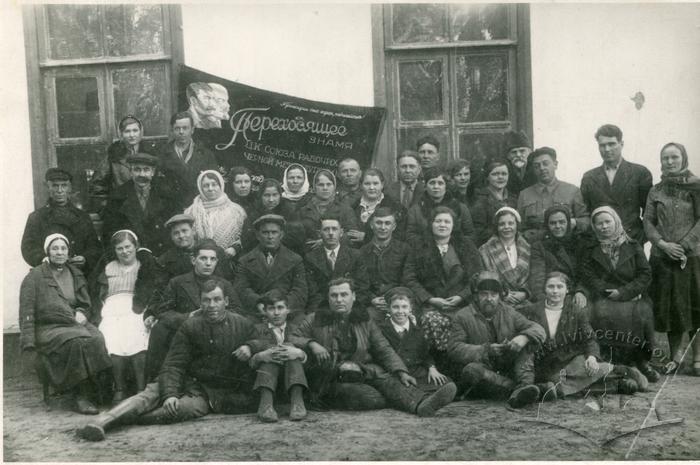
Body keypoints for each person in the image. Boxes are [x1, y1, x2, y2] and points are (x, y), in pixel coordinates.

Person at [78, 280, 257, 441]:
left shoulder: (242, 324)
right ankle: (101, 422)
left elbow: (264, 340)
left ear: (226, 301)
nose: (211, 305)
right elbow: (174, 363)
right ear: (200, 302)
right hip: (183, 379)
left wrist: (251, 346)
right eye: (206, 300)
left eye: (217, 300)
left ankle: (116, 421)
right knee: (148, 396)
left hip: (207, 392)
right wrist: (170, 393)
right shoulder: (190, 325)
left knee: (177, 410)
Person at [290, 278, 456, 416]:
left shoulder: (364, 319)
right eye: (334, 295)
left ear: (353, 296)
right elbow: (291, 337)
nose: (339, 300)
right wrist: (311, 343)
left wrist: (401, 371)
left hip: (362, 370)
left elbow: (382, 348)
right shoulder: (315, 319)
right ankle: (401, 399)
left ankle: (421, 404)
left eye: (344, 295)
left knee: (389, 381)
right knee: (368, 397)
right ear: (328, 297)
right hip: (329, 377)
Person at [19, 234, 112, 414]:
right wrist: (29, 343)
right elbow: (27, 312)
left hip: (75, 323)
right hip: (49, 327)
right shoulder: (35, 276)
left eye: (63, 248)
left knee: (97, 338)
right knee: (76, 343)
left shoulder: (76, 273)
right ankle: (81, 395)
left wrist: (83, 313)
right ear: (48, 251)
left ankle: (99, 391)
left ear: (68, 252)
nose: (59, 252)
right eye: (55, 249)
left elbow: (86, 304)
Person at [520, 272, 650, 398]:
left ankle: (622, 371)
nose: (555, 291)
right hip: (546, 363)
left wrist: (592, 357)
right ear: (544, 289)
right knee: (561, 380)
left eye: (560, 287)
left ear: (567, 290)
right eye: (551, 287)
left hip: (570, 358)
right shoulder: (531, 311)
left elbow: (590, 338)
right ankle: (618, 384)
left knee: (585, 370)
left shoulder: (576, 312)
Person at [579, 206, 659, 382]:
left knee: (642, 311)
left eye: (608, 222)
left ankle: (641, 360)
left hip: (631, 294)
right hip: (603, 294)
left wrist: (624, 292)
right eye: (599, 224)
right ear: (594, 227)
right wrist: (607, 291)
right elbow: (588, 275)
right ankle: (610, 360)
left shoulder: (633, 245)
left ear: (616, 221)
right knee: (599, 311)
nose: (604, 227)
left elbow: (645, 274)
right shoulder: (590, 248)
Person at [144, 240, 243, 381]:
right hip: (186, 334)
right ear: (193, 260)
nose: (208, 263)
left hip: (215, 333)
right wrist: (187, 317)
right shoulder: (177, 282)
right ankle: (157, 378)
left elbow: (237, 310)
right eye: (203, 258)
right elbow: (164, 311)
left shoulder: (224, 284)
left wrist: (217, 317)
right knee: (160, 329)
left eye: (212, 259)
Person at [447, 271, 546, 408]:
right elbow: (454, 348)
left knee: (528, 343)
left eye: (494, 294)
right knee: (471, 371)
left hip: (508, 367)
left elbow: (538, 329)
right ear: (476, 296)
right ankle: (522, 391)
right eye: (484, 294)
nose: (489, 298)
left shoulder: (509, 312)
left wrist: (523, 337)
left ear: (500, 297)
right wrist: (485, 350)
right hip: (484, 370)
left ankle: (524, 386)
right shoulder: (462, 316)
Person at [644, 142, 700, 376]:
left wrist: (683, 246)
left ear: (683, 158)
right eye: (665, 158)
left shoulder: (696, 187)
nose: (669, 162)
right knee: (671, 308)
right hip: (662, 257)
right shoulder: (656, 190)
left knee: (695, 305)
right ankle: (674, 357)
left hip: (692, 256)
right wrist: (663, 245)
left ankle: (698, 358)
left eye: (674, 157)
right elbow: (647, 221)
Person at [91, 230, 163, 403]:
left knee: (138, 334)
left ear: (136, 247)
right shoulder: (108, 268)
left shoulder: (143, 266)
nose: (125, 251)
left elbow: (151, 290)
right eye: (120, 248)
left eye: (128, 247)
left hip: (136, 306)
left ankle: (140, 387)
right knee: (112, 336)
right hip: (112, 308)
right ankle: (120, 387)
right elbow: (99, 294)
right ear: (114, 251)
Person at [403, 206, 482, 355]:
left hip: (463, 303)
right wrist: (431, 299)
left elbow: (477, 276)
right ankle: (439, 362)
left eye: (447, 221)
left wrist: (461, 297)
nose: (442, 225)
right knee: (430, 320)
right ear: (431, 224)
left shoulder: (466, 245)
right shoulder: (418, 246)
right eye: (438, 221)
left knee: (471, 325)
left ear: (454, 225)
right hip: (430, 305)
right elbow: (409, 278)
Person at [377, 287, 457, 400]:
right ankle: (420, 397)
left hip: (415, 372)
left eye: (404, 307)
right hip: (394, 373)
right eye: (395, 307)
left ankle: (423, 394)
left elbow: (424, 353)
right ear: (388, 309)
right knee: (395, 386)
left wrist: (431, 368)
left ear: (410, 309)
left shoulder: (417, 329)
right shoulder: (381, 329)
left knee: (447, 383)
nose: (400, 311)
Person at [21, 168, 102, 276]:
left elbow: (94, 246)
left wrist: (85, 258)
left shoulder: (82, 217)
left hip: (78, 274)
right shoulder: (37, 217)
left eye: (64, 185)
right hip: (48, 275)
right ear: (48, 188)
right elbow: (28, 247)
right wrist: (43, 259)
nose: (60, 190)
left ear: (70, 188)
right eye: (55, 186)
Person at [581, 124, 653, 243]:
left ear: (621, 144)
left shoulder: (639, 173)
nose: (607, 149)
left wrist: (640, 238)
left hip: (631, 241)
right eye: (602, 145)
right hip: (600, 243)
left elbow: (649, 213)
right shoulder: (589, 177)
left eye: (612, 144)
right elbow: (585, 214)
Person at [101, 153, 181, 256]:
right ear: (131, 172)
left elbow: (175, 230)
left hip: (161, 255)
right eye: (137, 170)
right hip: (130, 256)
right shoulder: (117, 197)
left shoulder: (167, 196)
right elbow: (109, 233)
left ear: (153, 172)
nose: (142, 174)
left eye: (146, 170)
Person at [246, 291, 309, 422]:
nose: (276, 313)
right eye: (271, 309)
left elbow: (309, 360)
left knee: (290, 348)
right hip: (266, 384)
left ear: (288, 310)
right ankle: (266, 404)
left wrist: (299, 354)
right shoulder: (256, 329)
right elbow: (249, 362)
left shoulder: (297, 329)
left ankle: (297, 402)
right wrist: (260, 356)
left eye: (280, 308)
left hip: (292, 383)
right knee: (270, 351)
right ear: (264, 311)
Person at [235, 214, 308, 323]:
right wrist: (259, 304)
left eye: (274, 232)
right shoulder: (245, 261)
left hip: (288, 312)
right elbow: (241, 289)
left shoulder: (295, 259)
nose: (270, 237)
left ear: (281, 234)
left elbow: (300, 290)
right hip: (258, 313)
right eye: (265, 232)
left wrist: (282, 307)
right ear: (257, 235)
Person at [517, 147, 589, 243]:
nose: (542, 168)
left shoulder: (572, 191)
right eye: (537, 166)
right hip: (534, 247)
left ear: (555, 165)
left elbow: (586, 220)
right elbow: (519, 227)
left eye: (545, 164)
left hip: (566, 247)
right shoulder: (524, 195)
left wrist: (574, 222)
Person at [304, 214, 368, 312]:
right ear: (319, 233)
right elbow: (312, 291)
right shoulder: (310, 258)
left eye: (334, 229)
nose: (330, 233)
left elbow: (362, 287)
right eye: (326, 229)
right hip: (322, 307)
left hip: (350, 306)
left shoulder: (355, 255)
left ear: (341, 232)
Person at [358, 207, 411, 321]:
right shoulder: (362, 252)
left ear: (394, 226)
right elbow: (360, 283)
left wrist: (395, 298)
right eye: (379, 223)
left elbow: (407, 279)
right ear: (372, 225)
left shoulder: (404, 249)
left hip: (400, 302)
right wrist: (372, 299)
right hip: (374, 304)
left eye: (387, 223)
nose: (383, 227)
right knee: (366, 318)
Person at [528, 205, 588, 307]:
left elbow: (586, 273)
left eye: (562, 222)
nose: (558, 226)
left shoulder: (579, 243)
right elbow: (538, 278)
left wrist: (581, 291)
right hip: (551, 293)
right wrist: (544, 301)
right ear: (547, 225)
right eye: (552, 223)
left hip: (575, 292)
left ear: (568, 223)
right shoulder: (539, 246)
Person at [184, 170, 247, 260]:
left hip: (227, 260)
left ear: (221, 185)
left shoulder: (237, 211)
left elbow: (243, 237)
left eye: (214, 184)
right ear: (200, 188)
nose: (210, 188)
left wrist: (234, 248)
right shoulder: (190, 212)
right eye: (206, 185)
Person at [159, 111, 219, 206]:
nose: (181, 132)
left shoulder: (206, 155)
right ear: (172, 130)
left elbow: (215, 184)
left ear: (192, 129)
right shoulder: (162, 154)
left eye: (185, 128)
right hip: (171, 207)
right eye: (177, 128)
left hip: (199, 205)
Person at [405, 166, 475, 246]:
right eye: (432, 183)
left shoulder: (460, 208)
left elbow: (469, 234)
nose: (436, 187)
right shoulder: (415, 210)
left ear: (446, 186)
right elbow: (410, 236)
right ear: (425, 186)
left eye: (440, 183)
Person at [479, 207, 532, 309]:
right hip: (497, 302)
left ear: (517, 225)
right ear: (496, 227)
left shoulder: (528, 248)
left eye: (511, 223)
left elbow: (534, 277)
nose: (506, 227)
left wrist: (525, 293)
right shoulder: (485, 249)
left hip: (525, 301)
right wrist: (503, 294)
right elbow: (483, 278)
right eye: (502, 224)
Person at [91, 115, 157, 195]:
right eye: (127, 131)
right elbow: (98, 185)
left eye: (135, 130)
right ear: (121, 134)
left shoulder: (150, 154)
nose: (132, 135)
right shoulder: (113, 156)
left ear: (140, 132)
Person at [297, 169, 359, 250]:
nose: (325, 188)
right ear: (315, 187)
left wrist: (326, 241)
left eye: (329, 184)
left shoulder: (345, 210)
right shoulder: (304, 210)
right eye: (321, 185)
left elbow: (352, 235)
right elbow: (297, 235)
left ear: (334, 187)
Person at [241, 178, 304, 254]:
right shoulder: (253, 212)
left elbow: (297, 237)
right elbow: (247, 239)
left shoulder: (289, 211)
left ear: (280, 195)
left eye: (275, 195)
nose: (271, 199)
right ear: (260, 196)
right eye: (266, 195)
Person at [347, 168, 406, 246]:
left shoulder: (394, 206)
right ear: (361, 185)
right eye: (367, 184)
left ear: (382, 185)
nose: (371, 188)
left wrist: (366, 237)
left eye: (375, 183)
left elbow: (399, 235)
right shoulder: (352, 206)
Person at [471, 159, 519, 246]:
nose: (500, 177)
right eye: (495, 174)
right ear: (487, 177)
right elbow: (478, 232)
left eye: (504, 174)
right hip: (490, 245)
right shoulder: (480, 200)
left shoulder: (513, 199)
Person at [157, 214, 197, 280]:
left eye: (184, 231)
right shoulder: (165, 259)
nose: (181, 236)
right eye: (176, 233)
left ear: (193, 231)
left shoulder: (208, 251)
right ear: (171, 237)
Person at [502, 130, 536, 195]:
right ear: (508, 156)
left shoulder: (536, 171)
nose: (518, 155)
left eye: (522, 151)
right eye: (514, 152)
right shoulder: (504, 173)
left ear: (530, 153)